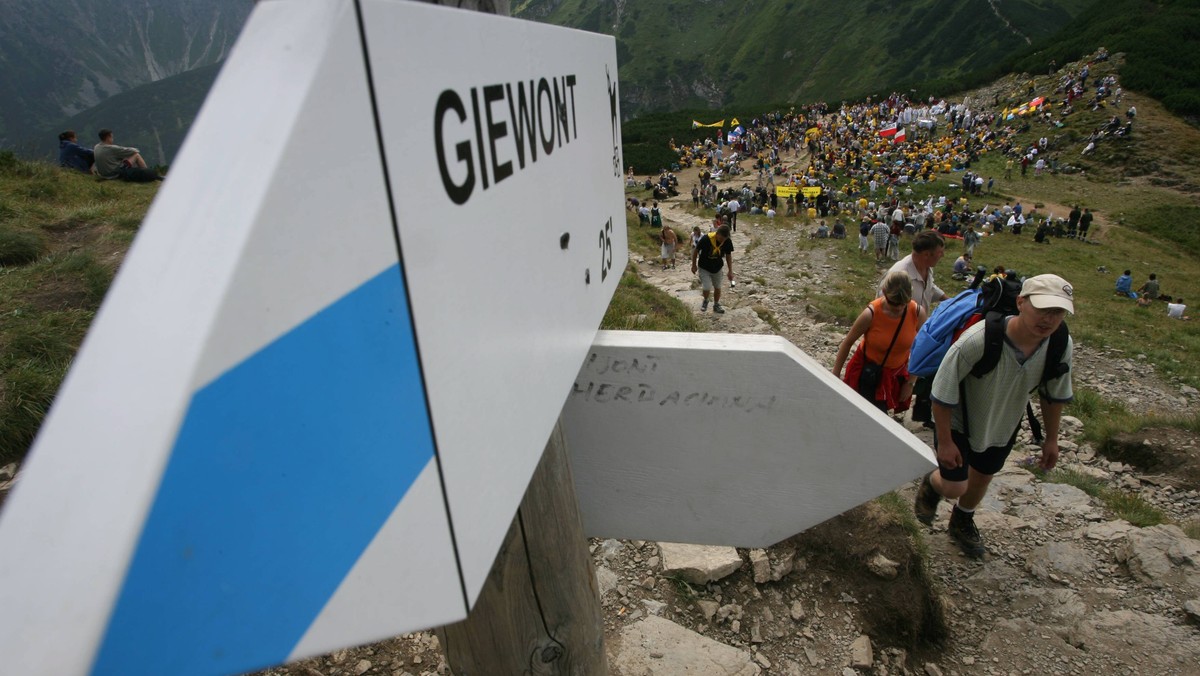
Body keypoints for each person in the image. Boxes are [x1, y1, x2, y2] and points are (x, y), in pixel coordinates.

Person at [915, 274, 1075, 557]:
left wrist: (1051, 439)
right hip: (958, 419)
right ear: (1021, 303)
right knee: (954, 485)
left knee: (983, 476)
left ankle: (962, 520)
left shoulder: (1059, 345)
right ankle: (931, 483)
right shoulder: (979, 338)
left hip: (1003, 420)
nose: (1049, 320)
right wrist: (945, 440)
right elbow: (942, 390)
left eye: (1058, 312)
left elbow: (1052, 394)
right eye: (1043, 309)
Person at [833, 271, 927, 413]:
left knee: (878, 416)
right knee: (856, 413)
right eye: (892, 302)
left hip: (893, 375)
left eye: (903, 303)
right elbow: (848, 342)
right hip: (866, 373)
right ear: (883, 292)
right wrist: (834, 375)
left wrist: (911, 382)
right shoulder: (871, 314)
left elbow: (921, 349)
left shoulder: (918, 313)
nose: (898, 308)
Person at [884, 230, 948, 427]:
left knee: (920, 371)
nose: (942, 255)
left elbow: (930, 288)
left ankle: (919, 413)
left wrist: (947, 300)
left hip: (919, 333)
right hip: (900, 338)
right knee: (898, 378)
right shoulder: (899, 273)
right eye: (939, 251)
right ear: (927, 254)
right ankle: (887, 414)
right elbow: (883, 304)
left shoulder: (926, 269)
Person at [691, 224, 734, 314]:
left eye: (724, 239)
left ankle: (716, 304)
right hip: (704, 267)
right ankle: (706, 300)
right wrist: (693, 265)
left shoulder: (727, 241)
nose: (723, 241)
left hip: (717, 267)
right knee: (707, 287)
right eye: (721, 238)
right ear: (717, 234)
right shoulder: (706, 239)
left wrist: (730, 270)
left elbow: (728, 255)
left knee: (717, 287)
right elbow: (696, 251)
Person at [93, 129, 161, 182]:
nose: (112, 139)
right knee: (136, 155)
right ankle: (147, 172)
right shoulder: (111, 148)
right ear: (108, 137)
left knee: (125, 158)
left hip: (103, 174)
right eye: (112, 137)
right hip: (115, 174)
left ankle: (146, 173)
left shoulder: (97, 147)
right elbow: (134, 151)